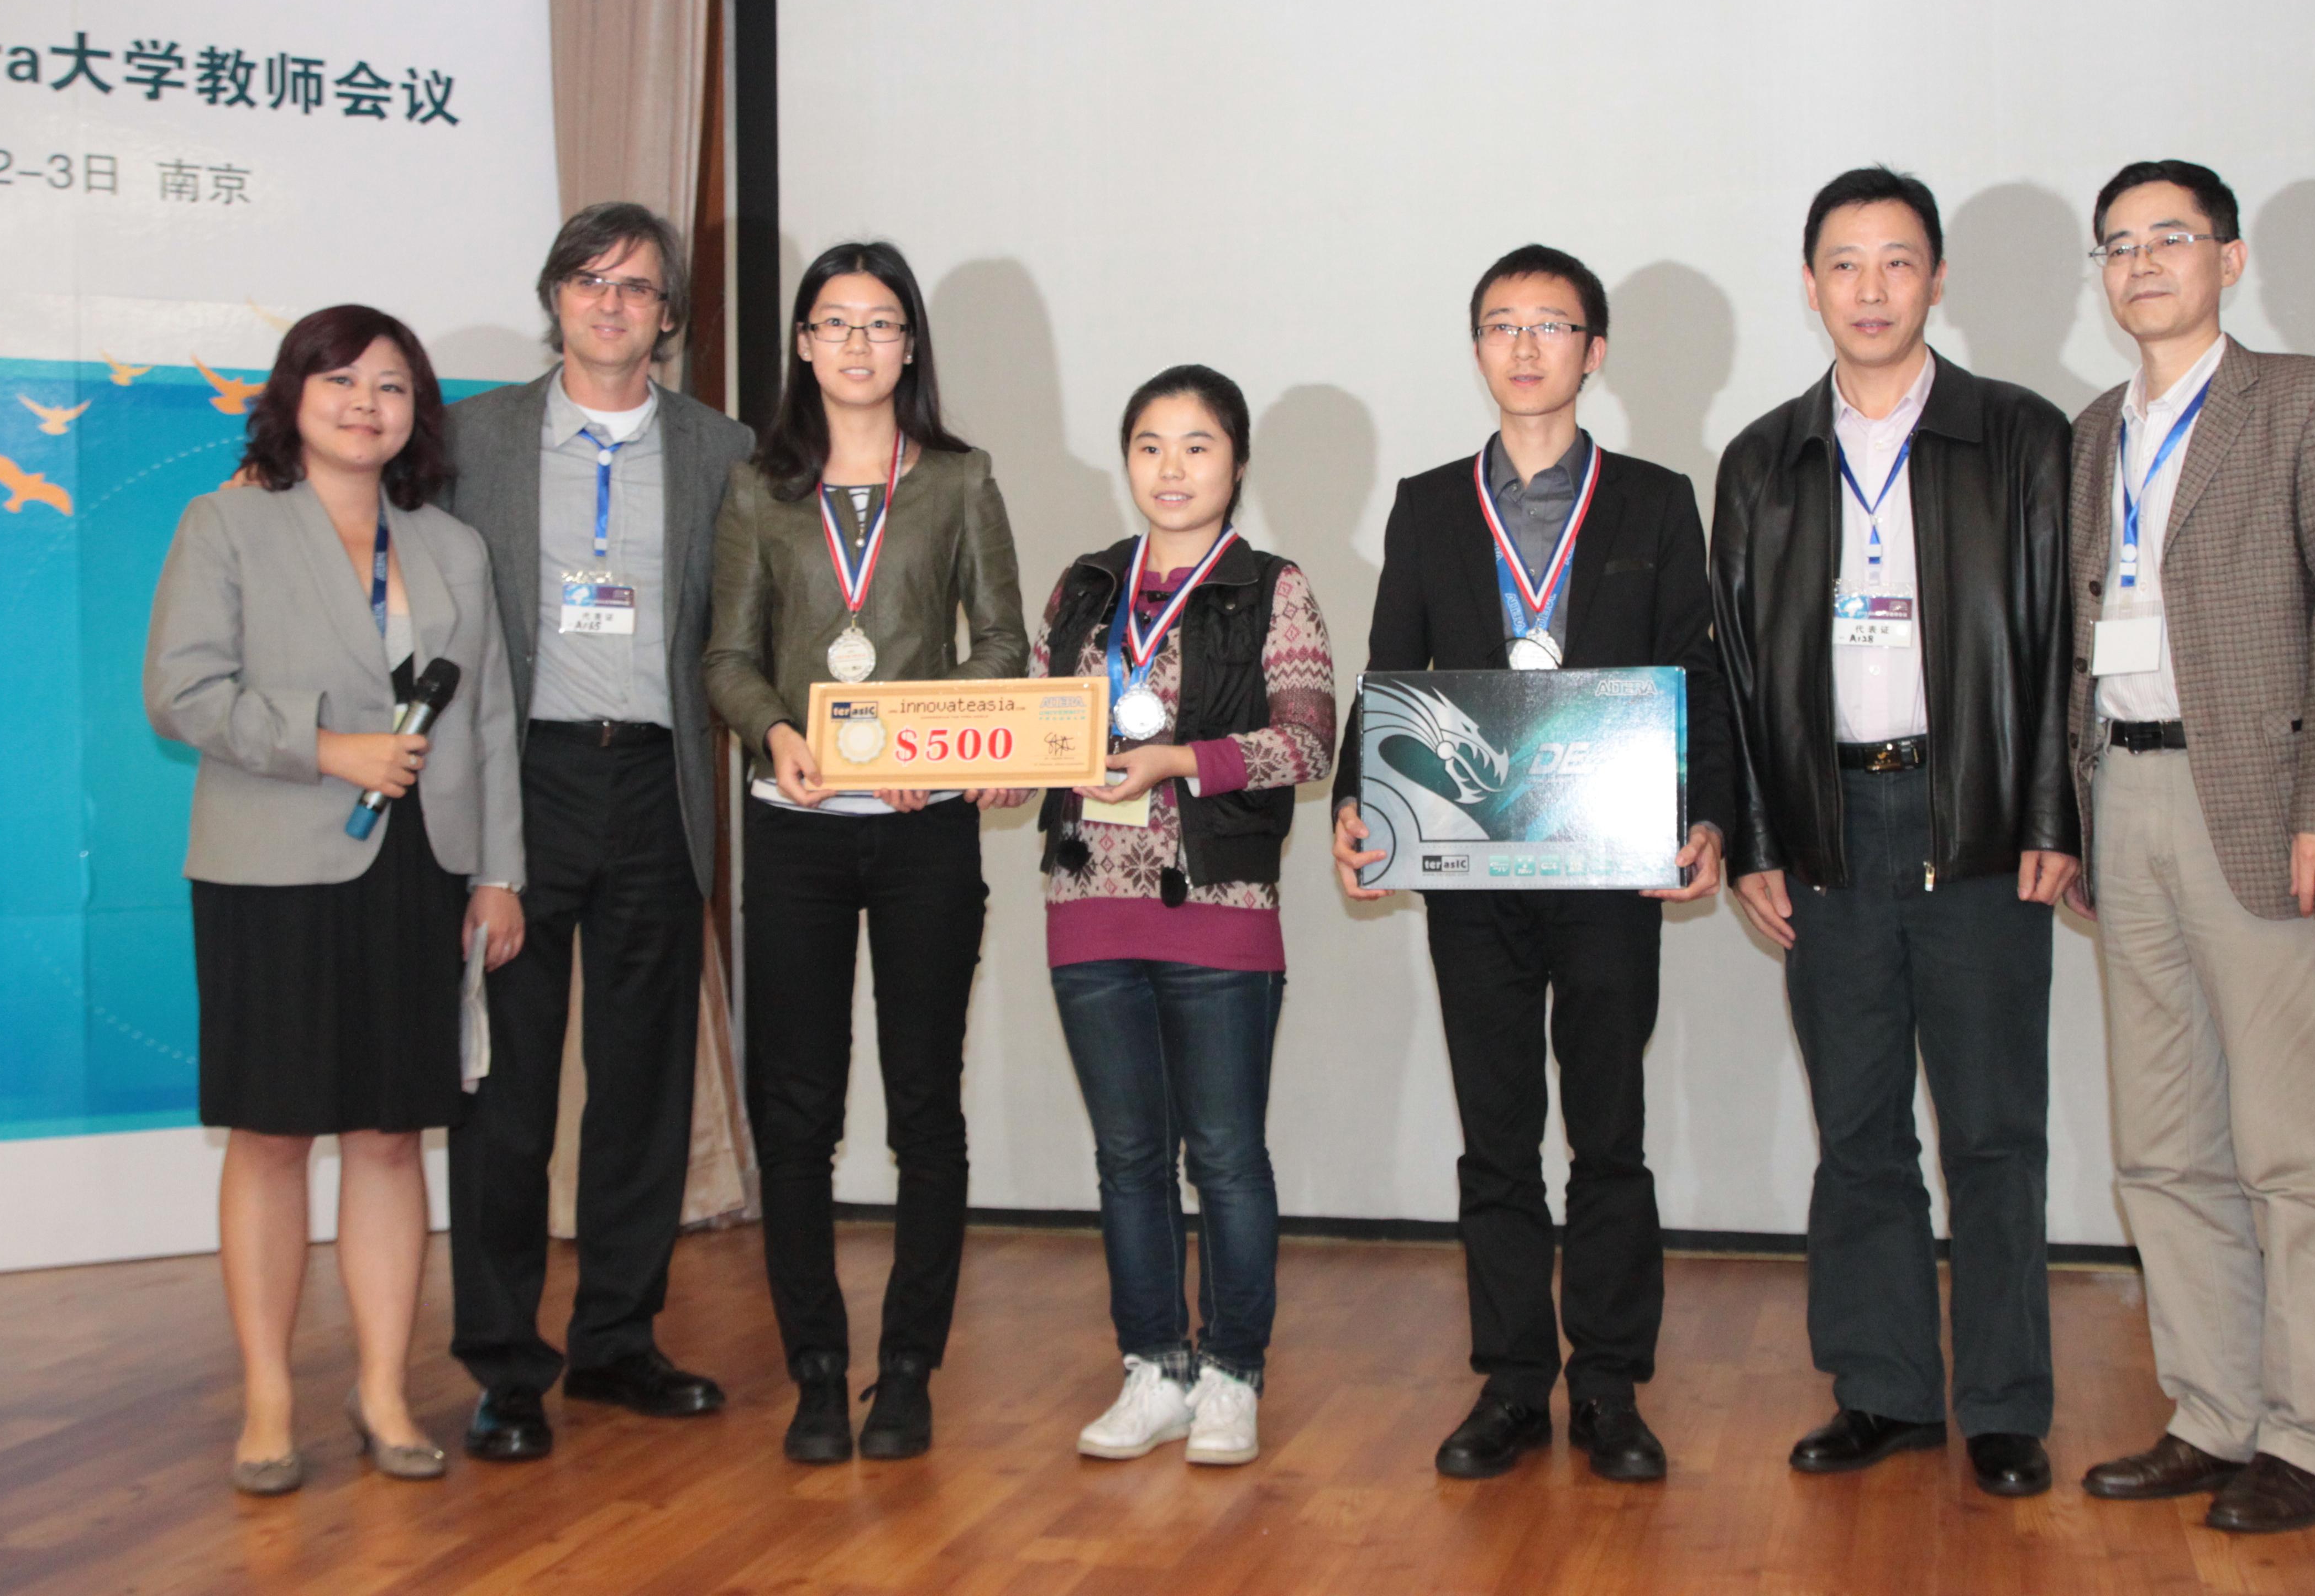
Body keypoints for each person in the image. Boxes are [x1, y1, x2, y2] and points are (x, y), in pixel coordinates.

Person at [1331, 244, 1729, 1484]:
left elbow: (1699, 673)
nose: (1524, 345)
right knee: (1496, 1137)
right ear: (1478, 350)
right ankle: (1510, 1383)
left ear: (1593, 352)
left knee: (1608, 1133)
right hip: (1471, 872)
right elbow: (1392, 670)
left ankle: (1608, 1385)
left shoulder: (1656, 500)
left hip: (1609, 869)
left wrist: (1708, 820)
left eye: (1551, 324)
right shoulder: (1429, 504)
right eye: (1501, 324)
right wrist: (1355, 803)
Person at [1709, 167, 2077, 1499]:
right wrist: (1757, 837)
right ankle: (1883, 1390)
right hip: (1830, 835)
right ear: (1810, 286)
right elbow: (1739, 674)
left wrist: (2052, 814)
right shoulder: (1764, 459)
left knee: (1993, 1132)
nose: (1871, 289)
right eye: (1845, 265)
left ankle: (2005, 1406)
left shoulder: (2019, 435)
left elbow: (2062, 640)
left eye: (1898, 261)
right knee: (1860, 1131)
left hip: (1976, 823)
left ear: (1937, 279)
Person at [2068, 160, 2315, 1534]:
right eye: (2119, 245)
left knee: (2291, 1148)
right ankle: (2212, 1415)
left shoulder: (2313, 403)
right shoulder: (2095, 431)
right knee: (2162, 1142)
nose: (2143, 264)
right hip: (2124, 796)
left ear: (2231, 257)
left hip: (2268, 807)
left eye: (2172, 238)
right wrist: (2066, 817)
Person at [145, 306, 525, 1493]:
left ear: (419, 413)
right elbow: (180, 693)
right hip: (271, 868)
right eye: (342, 380)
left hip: (422, 867)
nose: (368, 404)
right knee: (271, 1134)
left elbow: (491, 720)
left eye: (393, 386)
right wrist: (327, 748)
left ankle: (383, 1391)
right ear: (293, 396)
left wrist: (498, 873)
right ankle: (268, 1400)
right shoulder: (225, 522)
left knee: (391, 1134)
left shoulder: (451, 545)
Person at [705, 239, 1028, 1463]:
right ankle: (814, 1370)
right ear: (803, 344)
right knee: (796, 1114)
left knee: (924, 1105)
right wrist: (775, 731)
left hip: (924, 830)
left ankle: (907, 1370)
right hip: (794, 831)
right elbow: (727, 658)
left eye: (881, 323)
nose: (857, 344)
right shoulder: (758, 488)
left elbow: (1001, 642)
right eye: (834, 322)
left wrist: (930, 743)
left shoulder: (959, 478)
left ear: (909, 347)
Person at [978, 364, 1335, 1468]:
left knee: (1223, 1153)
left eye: (1196, 445)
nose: (1171, 468)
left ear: (1237, 463)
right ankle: (1153, 1367)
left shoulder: (1273, 587)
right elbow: (1039, 722)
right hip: (1088, 901)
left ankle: (1232, 1374)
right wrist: (998, 767)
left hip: (1218, 902)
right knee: (1128, 1155)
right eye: (1149, 445)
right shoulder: (1085, 584)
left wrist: (1180, 760)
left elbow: (1308, 741)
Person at [439, 203, 752, 1462]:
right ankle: (505, 1366)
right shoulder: (475, 439)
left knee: (643, 1087)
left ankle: (619, 1340)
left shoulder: (724, 449)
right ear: (554, 298)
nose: (611, 304)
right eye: (588, 281)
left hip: (660, 784)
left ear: (667, 315)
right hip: (523, 783)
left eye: (636, 287)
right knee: (505, 1094)